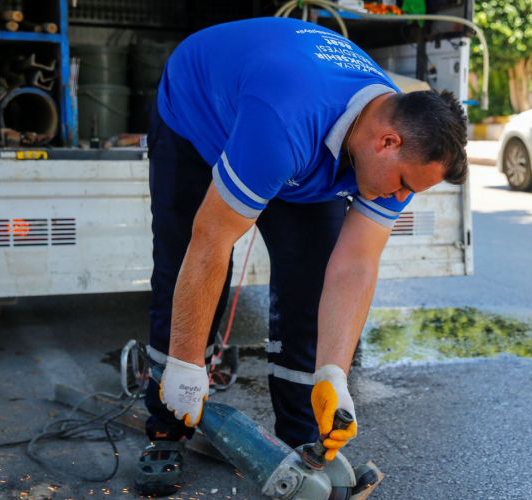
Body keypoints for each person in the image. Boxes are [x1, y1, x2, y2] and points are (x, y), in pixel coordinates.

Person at [135, 16, 468, 496]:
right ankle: (167, 426)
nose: (401, 196)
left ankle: (303, 439)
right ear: (387, 141)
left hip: (297, 138)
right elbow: (210, 242)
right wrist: (186, 365)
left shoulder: (391, 147)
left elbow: (355, 265)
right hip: (198, 115)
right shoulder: (284, 121)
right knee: (181, 261)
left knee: (310, 284)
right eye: (404, 185)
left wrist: (334, 374)